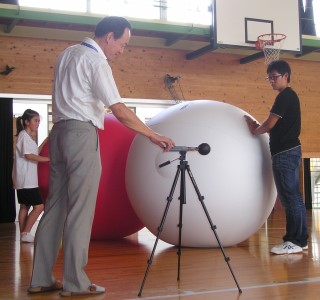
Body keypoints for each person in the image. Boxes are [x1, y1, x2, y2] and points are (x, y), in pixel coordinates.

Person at [28, 16, 175, 297]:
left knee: (55, 208)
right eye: (123, 43)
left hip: (58, 133)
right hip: (80, 135)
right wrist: (154, 135)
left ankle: (40, 279)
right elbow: (118, 109)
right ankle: (75, 283)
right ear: (109, 37)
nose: (122, 50)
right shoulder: (96, 62)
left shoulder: (66, 54)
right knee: (81, 211)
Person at [244, 60, 308, 255]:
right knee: (293, 198)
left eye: (274, 77)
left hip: (285, 154)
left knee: (290, 198)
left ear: (286, 76)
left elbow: (270, 123)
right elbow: (275, 127)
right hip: (288, 152)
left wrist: (255, 129)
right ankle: (299, 240)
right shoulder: (288, 97)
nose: (271, 81)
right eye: (269, 78)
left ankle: (295, 241)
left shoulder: (285, 96)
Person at [12, 109, 50, 243]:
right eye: (35, 120)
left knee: (25, 206)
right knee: (39, 207)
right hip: (27, 180)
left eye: (39, 121)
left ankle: (23, 234)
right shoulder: (23, 136)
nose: (38, 123)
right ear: (27, 122)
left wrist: (47, 139)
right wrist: (49, 159)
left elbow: (35, 151)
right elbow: (29, 156)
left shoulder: (27, 138)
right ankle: (26, 233)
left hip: (23, 180)